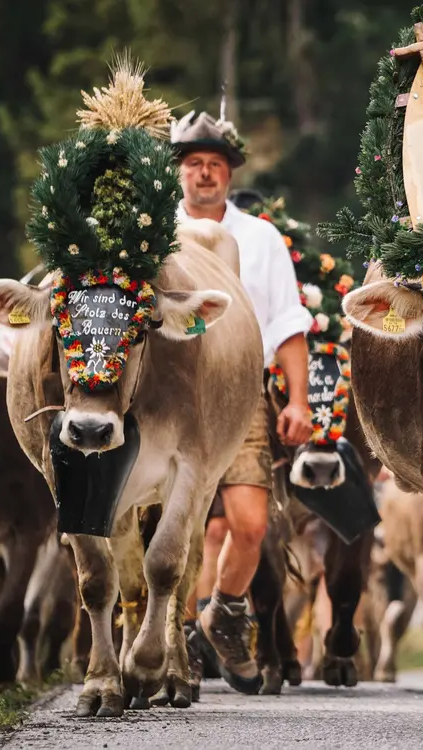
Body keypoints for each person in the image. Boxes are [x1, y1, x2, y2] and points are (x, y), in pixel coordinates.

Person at [170, 109, 314, 693]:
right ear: (179, 173)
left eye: (216, 165)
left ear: (230, 174)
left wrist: (298, 400)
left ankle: (224, 614)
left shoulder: (259, 238)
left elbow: (286, 323)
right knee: (167, 525)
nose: (205, 174)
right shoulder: (154, 235)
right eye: (195, 164)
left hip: (241, 391)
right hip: (168, 398)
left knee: (251, 524)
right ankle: (172, 640)